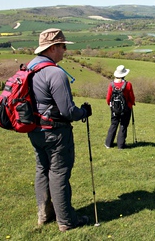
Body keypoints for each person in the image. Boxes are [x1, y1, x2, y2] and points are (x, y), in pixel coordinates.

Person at [27, 28, 92, 232]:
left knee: (42, 170)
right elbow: (67, 111)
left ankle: (44, 215)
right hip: (55, 132)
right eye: (63, 46)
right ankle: (66, 220)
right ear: (53, 47)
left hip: (35, 130)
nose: (65, 51)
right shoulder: (55, 73)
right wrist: (84, 112)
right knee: (59, 174)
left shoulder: (30, 67)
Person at [105, 65, 135, 149]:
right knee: (123, 125)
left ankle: (108, 143)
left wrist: (110, 104)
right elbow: (131, 97)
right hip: (126, 108)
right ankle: (120, 145)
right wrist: (132, 103)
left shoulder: (111, 84)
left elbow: (108, 97)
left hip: (114, 108)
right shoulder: (128, 84)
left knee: (113, 124)